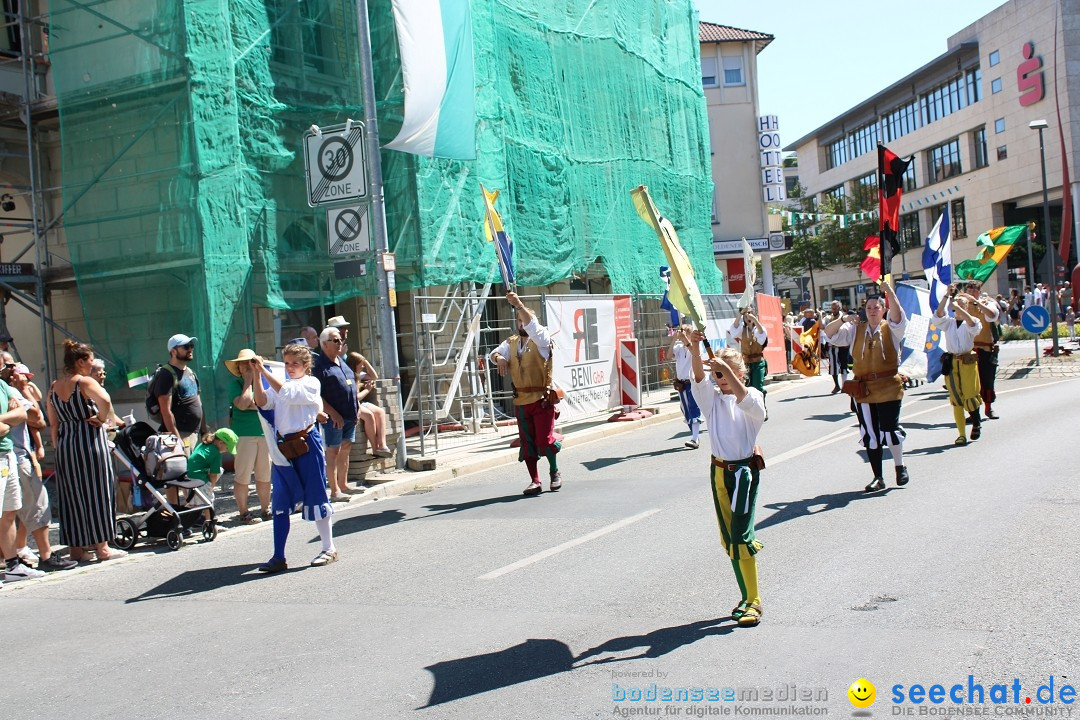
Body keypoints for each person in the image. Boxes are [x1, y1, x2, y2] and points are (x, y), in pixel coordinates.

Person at [688, 339, 767, 627]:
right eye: (717, 374)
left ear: (741, 373)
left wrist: (727, 371)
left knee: (742, 535)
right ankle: (745, 597)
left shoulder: (754, 397)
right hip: (719, 472)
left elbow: (748, 402)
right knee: (729, 540)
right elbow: (698, 377)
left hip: (743, 474)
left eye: (725, 373)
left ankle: (755, 600)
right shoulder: (713, 401)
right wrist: (695, 348)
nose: (719, 379)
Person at [251, 344, 338, 571]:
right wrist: (256, 376)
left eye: (295, 364)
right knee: (279, 500)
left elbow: (287, 394)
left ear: (306, 365)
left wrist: (264, 370)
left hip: (307, 445)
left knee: (316, 495)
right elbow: (262, 402)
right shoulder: (282, 385)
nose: (290, 368)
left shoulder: (311, 383)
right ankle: (278, 556)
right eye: (287, 363)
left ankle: (329, 548)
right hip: (283, 449)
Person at [823, 281, 910, 492]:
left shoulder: (892, 328)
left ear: (883, 310)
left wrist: (889, 292)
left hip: (889, 386)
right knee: (870, 433)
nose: (871, 311)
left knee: (889, 430)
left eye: (876, 308)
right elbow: (830, 333)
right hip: (864, 389)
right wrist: (843, 318)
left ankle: (899, 466)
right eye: (868, 308)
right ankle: (878, 477)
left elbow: (898, 314)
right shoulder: (855, 329)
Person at [47, 340, 125, 562]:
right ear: (80, 362)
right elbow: (106, 400)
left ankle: (76, 549)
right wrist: (101, 419)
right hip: (89, 441)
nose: (92, 364)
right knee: (97, 491)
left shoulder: (54, 386)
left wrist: (57, 444)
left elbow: (52, 422)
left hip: (66, 444)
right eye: (90, 360)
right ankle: (102, 547)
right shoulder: (84, 382)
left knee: (72, 496)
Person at [3, 363, 76, 571]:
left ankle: (19, 553)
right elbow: (38, 419)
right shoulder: (11, 391)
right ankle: (44, 555)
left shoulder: (8, 391)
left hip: (17, 456)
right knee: (36, 504)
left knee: (17, 510)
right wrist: (24, 393)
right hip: (16, 458)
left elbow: (35, 421)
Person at [489, 292, 562, 496]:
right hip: (521, 401)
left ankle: (554, 472)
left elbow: (533, 329)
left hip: (541, 400)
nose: (522, 323)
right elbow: (493, 353)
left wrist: (519, 304)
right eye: (519, 320)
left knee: (544, 440)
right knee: (527, 442)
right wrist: (499, 359)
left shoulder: (542, 340)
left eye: (525, 320)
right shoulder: (511, 342)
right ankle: (535, 480)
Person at [224, 349, 272, 524]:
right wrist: (248, 382)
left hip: (263, 432)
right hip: (243, 434)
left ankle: (265, 509)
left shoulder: (263, 380)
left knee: (264, 475)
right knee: (243, 476)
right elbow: (245, 404)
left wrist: (256, 401)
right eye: (243, 362)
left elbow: (265, 403)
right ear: (238, 366)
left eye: (251, 362)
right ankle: (243, 512)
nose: (247, 365)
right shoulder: (235, 384)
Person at [0, 372, 39, 584]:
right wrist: (9, 417)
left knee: (9, 512)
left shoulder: (2, 386)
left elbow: (23, 415)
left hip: (7, 455)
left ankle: (13, 566)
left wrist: (5, 418)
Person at [314, 327, 361, 501]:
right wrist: (333, 413)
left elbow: (352, 386)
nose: (340, 342)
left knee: (345, 448)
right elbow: (317, 394)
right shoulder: (319, 367)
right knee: (333, 451)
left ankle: (343, 484)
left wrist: (358, 406)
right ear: (325, 344)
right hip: (334, 418)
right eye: (336, 340)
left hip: (350, 415)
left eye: (340, 339)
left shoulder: (341, 362)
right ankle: (334, 491)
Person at [935, 290, 982, 445]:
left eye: (963, 305)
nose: (958, 308)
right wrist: (947, 296)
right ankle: (961, 434)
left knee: (970, 396)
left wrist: (959, 308)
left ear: (967, 307)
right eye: (956, 306)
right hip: (952, 362)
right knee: (956, 399)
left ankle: (976, 421)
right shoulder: (948, 323)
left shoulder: (972, 320)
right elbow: (939, 314)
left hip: (967, 361)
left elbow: (973, 326)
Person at [149, 334, 204, 451]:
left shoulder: (191, 372)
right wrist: (176, 438)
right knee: (184, 469)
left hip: (194, 434)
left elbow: (199, 404)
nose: (190, 349)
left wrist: (204, 431)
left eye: (191, 345)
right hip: (180, 435)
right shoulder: (165, 374)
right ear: (173, 351)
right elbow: (166, 410)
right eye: (185, 346)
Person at [185, 428, 238, 524]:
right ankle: (209, 521)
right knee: (208, 499)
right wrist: (211, 486)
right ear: (220, 443)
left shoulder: (204, 444)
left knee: (198, 499)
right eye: (227, 448)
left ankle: (196, 518)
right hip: (199, 477)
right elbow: (213, 474)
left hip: (190, 474)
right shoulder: (215, 453)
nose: (226, 451)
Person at [345, 352, 392, 458]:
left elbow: (374, 376)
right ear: (354, 364)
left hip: (360, 403)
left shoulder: (359, 375)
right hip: (352, 405)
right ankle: (375, 448)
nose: (362, 366)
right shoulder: (349, 376)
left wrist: (365, 361)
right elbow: (356, 397)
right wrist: (367, 390)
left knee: (380, 412)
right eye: (360, 364)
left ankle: (382, 445)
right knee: (369, 415)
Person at [727, 308, 769, 419]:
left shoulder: (759, 329)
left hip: (758, 362)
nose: (748, 318)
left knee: (757, 386)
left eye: (750, 315)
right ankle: (750, 411)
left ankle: (762, 408)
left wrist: (754, 320)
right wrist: (739, 314)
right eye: (746, 316)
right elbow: (733, 330)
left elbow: (762, 338)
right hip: (745, 362)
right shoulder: (742, 329)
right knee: (747, 387)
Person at [967, 286, 1002, 419]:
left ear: (979, 291)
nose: (971, 291)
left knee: (987, 380)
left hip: (985, 349)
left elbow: (992, 316)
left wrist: (978, 302)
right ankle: (973, 412)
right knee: (970, 383)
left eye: (974, 289)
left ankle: (988, 408)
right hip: (969, 349)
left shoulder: (988, 303)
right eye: (969, 289)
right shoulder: (964, 304)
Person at [670, 326, 702, 449]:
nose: (684, 334)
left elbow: (694, 352)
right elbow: (668, 355)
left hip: (692, 382)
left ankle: (694, 438)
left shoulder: (694, 346)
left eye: (687, 332)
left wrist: (685, 339)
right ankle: (695, 435)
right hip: (681, 384)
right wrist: (674, 339)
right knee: (685, 410)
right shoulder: (679, 348)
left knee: (693, 408)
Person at [824, 301, 851, 394]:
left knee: (844, 365)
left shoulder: (844, 317)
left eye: (835, 308)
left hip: (844, 345)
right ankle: (837, 385)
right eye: (832, 308)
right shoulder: (828, 318)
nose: (833, 310)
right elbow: (824, 328)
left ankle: (844, 385)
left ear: (839, 308)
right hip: (833, 345)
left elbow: (848, 329)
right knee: (833, 366)